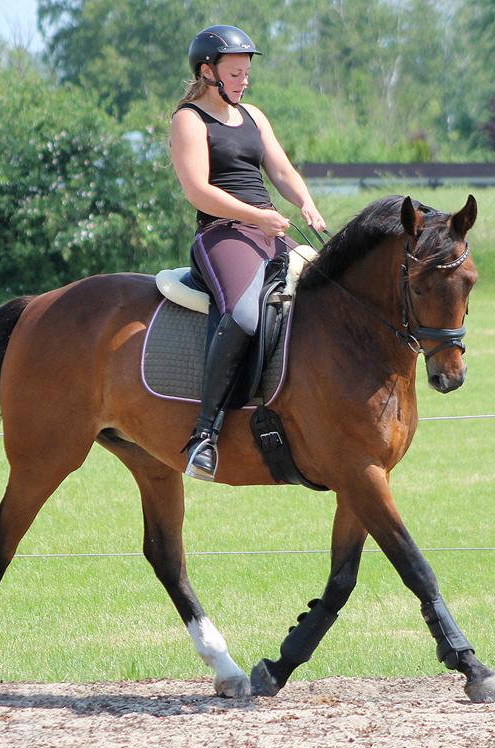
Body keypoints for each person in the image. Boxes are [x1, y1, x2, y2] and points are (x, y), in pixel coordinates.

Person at [170, 24, 327, 482]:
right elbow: (197, 190)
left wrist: (305, 202)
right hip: (221, 233)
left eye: (246, 73)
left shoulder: (254, 116)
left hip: (267, 230)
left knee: (326, 294)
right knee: (244, 317)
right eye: (235, 73)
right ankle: (205, 434)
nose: (243, 80)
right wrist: (257, 216)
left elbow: (280, 169)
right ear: (208, 71)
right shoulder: (189, 119)